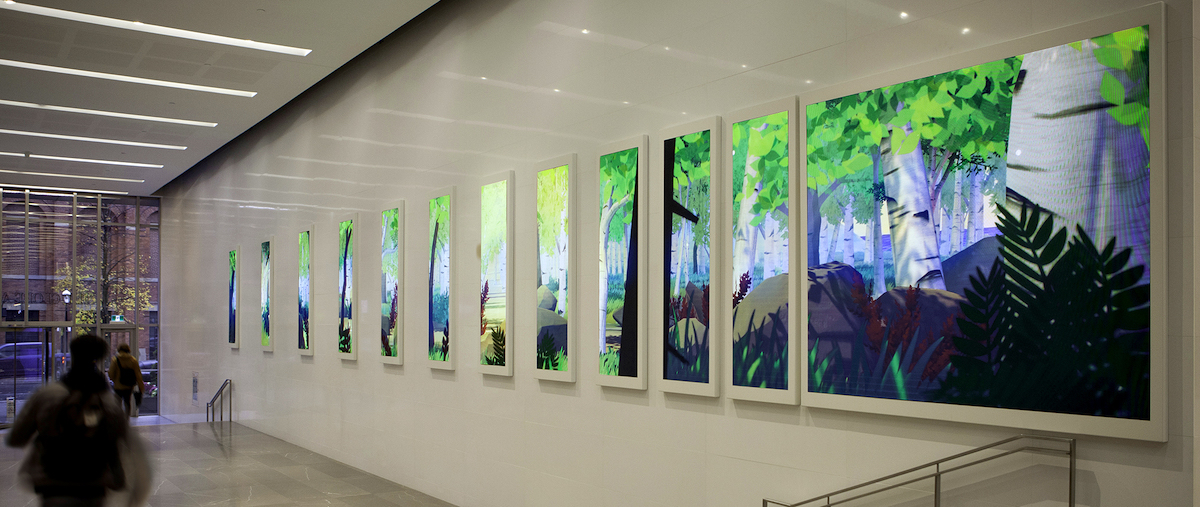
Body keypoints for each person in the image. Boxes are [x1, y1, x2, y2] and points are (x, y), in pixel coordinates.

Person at [5, 334, 132, 507]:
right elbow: (123, 442)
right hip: (93, 487)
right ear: (100, 358)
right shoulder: (110, 404)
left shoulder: (47, 396)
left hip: (53, 485)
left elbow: (16, 438)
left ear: (72, 355)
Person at [106, 344, 144, 418]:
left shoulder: (115, 359)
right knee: (127, 402)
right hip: (129, 386)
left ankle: (118, 419)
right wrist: (141, 387)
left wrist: (115, 380)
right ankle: (127, 418)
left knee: (117, 403)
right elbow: (138, 375)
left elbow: (111, 373)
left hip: (118, 385)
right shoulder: (133, 360)